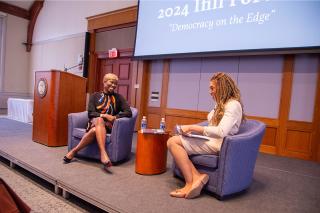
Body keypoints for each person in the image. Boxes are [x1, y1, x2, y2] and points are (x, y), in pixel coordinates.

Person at [167, 72, 245, 199]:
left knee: (172, 142)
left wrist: (193, 127)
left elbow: (221, 131)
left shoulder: (233, 105)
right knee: (175, 140)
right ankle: (197, 177)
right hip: (211, 140)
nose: (210, 91)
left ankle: (189, 183)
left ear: (222, 87)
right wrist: (195, 133)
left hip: (220, 144)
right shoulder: (221, 104)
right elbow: (211, 125)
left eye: (212, 88)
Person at [63, 73, 132, 169]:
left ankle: (74, 151)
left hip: (108, 126)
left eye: (115, 84)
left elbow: (128, 112)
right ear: (104, 82)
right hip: (93, 123)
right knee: (99, 120)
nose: (113, 85)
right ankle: (103, 153)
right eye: (111, 82)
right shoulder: (95, 96)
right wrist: (105, 115)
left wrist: (115, 117)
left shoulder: (119, 98)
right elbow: (90, 113)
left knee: (96, 130)